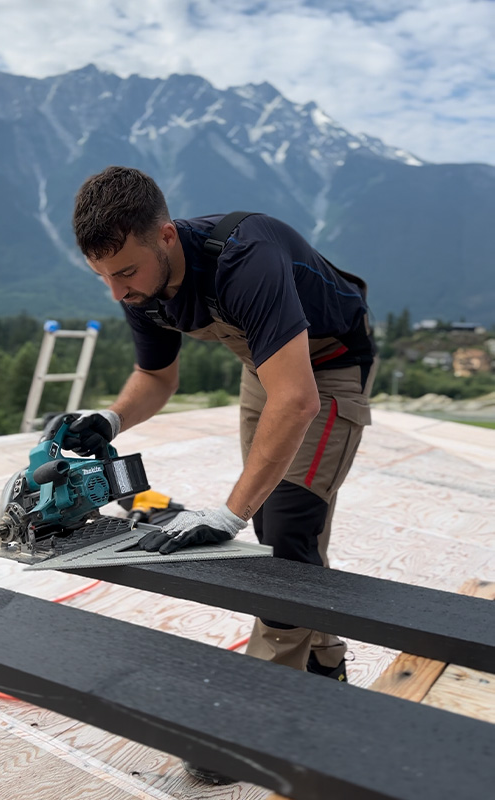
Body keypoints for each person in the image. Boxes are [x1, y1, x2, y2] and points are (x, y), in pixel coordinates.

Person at [66, 165, 377, 780]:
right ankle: (326, 664)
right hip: (268, 368)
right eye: (101, 277)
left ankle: (251, 723)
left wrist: (227, 511)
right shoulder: (141, 287)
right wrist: (110, 418)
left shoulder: (245, 257)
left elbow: (298, 400)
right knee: (278, 523)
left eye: (125, 271)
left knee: (285, 527)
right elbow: (157, 378)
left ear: (167, 237)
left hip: (329, 370)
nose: (117, 292)